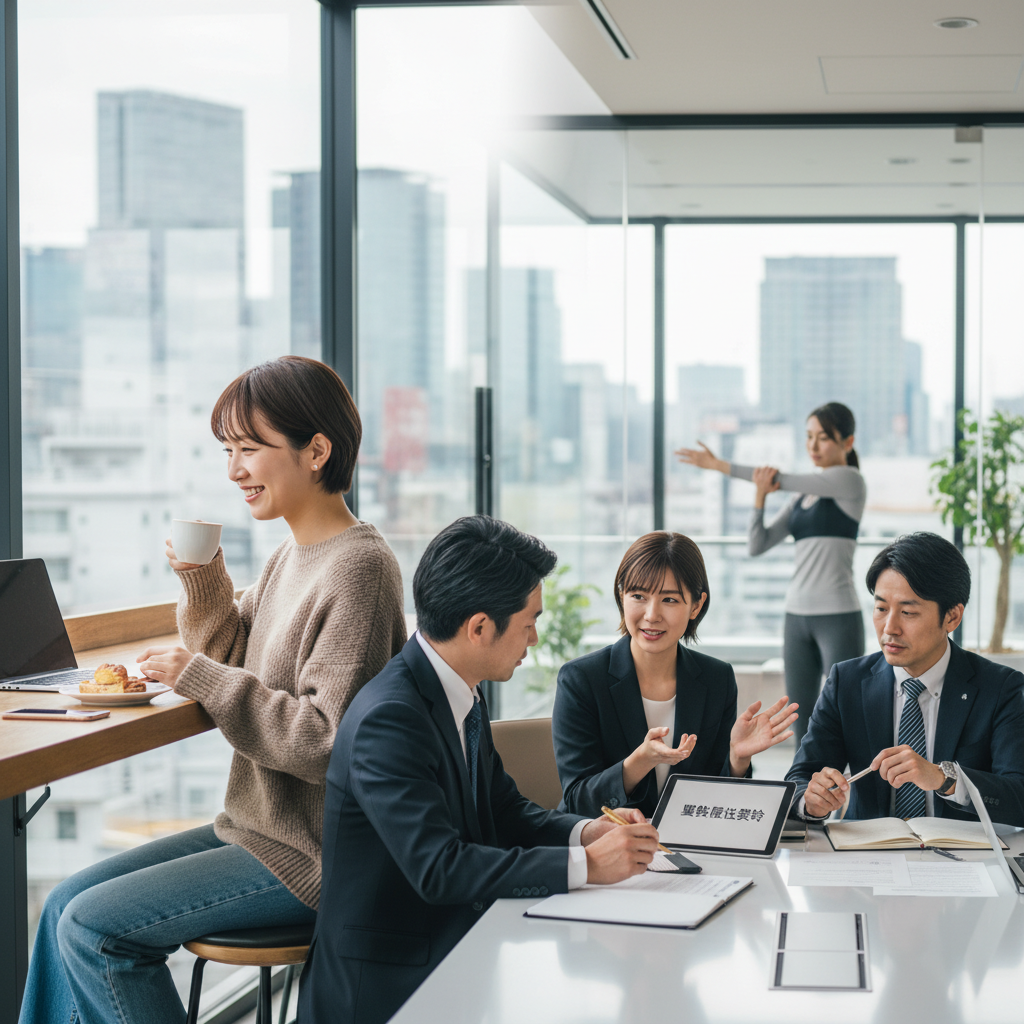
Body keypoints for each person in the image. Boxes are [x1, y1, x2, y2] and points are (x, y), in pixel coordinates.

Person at [20, 356, 407, 1024]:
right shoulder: (295, 555)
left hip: (317, 855)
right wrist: (203, 580)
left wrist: (195, 674)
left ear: (317, 450)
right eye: (228, 450)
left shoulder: (358, 569)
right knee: (61, 906)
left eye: (249, 449)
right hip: (258, 830)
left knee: (93, 931)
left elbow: (328, 740)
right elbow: (229, 653)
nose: (233, 471)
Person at [299, 516, 662, 1024]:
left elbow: (502, 807)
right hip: (388, 984)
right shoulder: (391, 717)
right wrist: (590, 867)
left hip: (459, 949)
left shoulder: (459, 688)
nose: (534, 638)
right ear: (479, 627)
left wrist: (585, 832)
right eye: (529, 621)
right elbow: (439, 868)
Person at [552, 531, 798, 819]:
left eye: (669, 599)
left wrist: (737, 759)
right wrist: (640, 762)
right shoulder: (581, 679)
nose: (652, 614)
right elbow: (578, 800)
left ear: (696, 605)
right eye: (638, 596)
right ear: (622, 596)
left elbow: (717, 803)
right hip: (607, 847)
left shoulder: (716, 678)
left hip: (691, 850)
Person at [786, 532, 1024, 825]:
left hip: (964, 859)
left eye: (908, 612)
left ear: (952, 617)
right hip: (868, 858)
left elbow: (1019, 796)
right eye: (881, 608)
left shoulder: (1001, 688)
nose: (889, 628)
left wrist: (944, 778)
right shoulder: (845, 682)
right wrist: (811, 802)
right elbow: (798, 779)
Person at [677, 401, 866, 744]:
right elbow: (757, 544)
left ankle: (854, 793)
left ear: (847, 443)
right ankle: (804, 794)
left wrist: (718, 465)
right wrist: (759, 498)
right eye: (809, 437)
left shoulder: (849, 481)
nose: (813, 446)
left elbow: (781, 478)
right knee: (800, 717)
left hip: (837, 614)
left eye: (823, 438)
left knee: (848, 711)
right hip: (796, 615)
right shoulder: (802, 498)